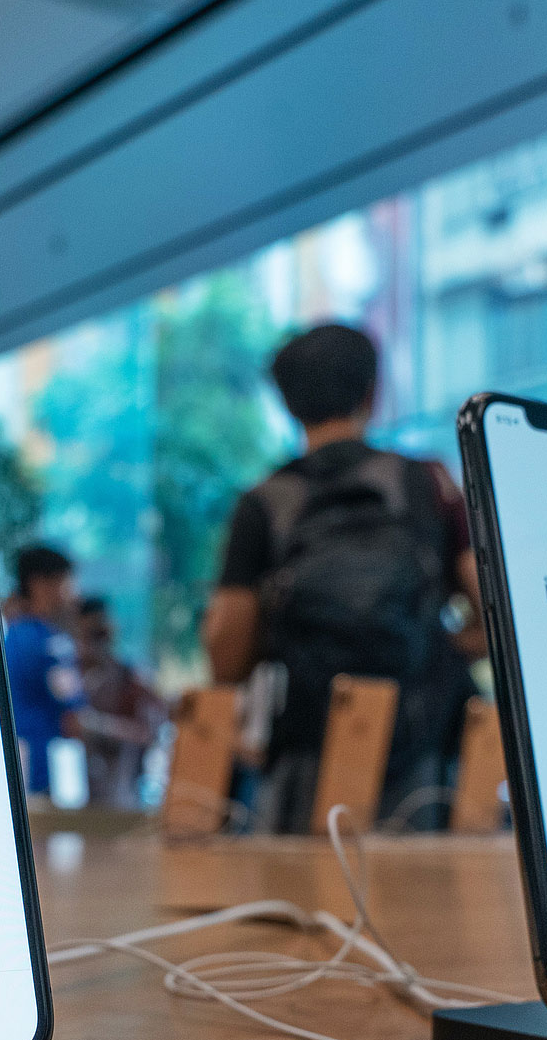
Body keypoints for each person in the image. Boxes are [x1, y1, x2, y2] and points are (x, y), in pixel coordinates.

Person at [202, 323, 481, 833]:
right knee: (427, 898)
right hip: (421, 755)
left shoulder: (264, 503)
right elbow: (495, 613)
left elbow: (226, 647)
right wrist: (439, 646)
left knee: (306, 897)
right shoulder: (425, 483)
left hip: (308, 748)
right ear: (372, 393)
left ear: (288, 404)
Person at [2, 544, 85, 798]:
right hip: (47, 770)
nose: (74, 595)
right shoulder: (52, 644)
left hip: (16, 766)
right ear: (40, 584)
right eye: (66, 583)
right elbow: (74, 712)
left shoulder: (10, 634)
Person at [73, 596, 167, 808]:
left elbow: (147, 733)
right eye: (93, 634)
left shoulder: (129, 679)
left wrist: (96, 725)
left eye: (103, 633)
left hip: (118, 794)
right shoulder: (66, 672)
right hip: (70, 791)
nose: (99, 642)